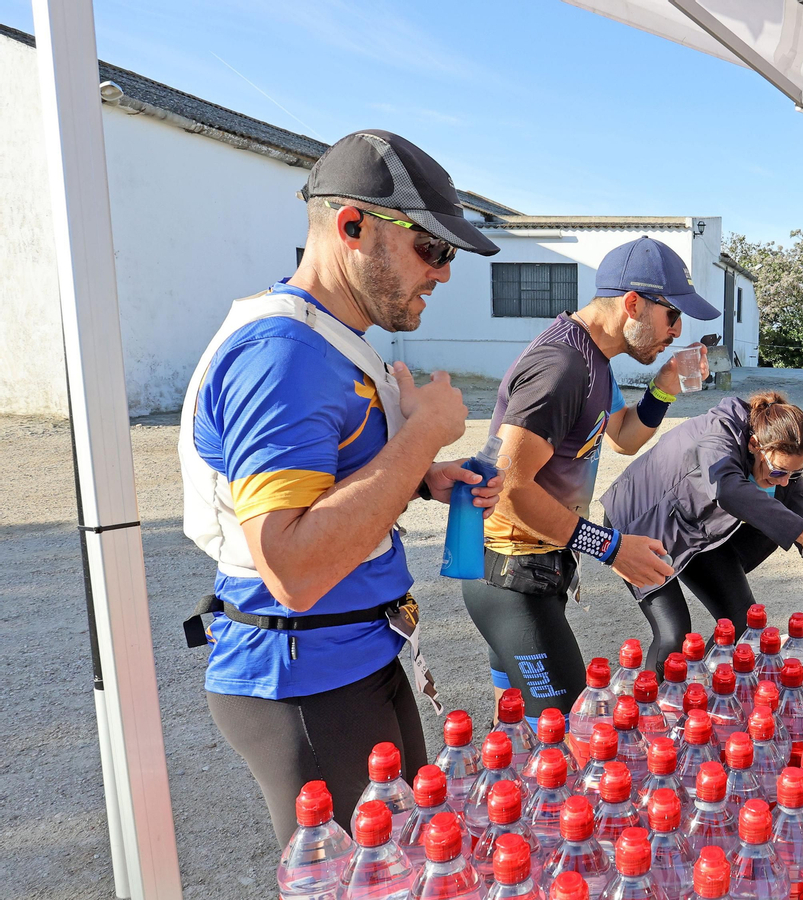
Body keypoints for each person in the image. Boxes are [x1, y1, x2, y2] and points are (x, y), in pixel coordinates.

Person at [178, 130, 504, 845]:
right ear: (353, 226)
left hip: (353, 653)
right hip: (302, 673)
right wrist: (424, 434)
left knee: (415, 866)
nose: (444, 273)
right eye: (433, 248)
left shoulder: (329, 338)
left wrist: (423, 478)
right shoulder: (283, 356)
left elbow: (324, 482)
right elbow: (291, 566)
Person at [464, 236, 717, 713]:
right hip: (511, 576)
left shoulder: (594, 358)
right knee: (569, 735)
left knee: (519, 730)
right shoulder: (561, 365)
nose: (678, 330)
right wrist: (611, 547)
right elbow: (510, 488)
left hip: (534, 569)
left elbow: (621, 437)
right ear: (634, 304)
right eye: (672, 316)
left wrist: (663, 387)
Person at [599, 391, 803, 671]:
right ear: (754, 444)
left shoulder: (778, 452)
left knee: (743, 625)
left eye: (795, 473)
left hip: (695, 526)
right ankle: (655, 709)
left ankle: (706, 691)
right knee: (673, 633)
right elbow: (726, 490)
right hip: (642, 523)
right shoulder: (719, 432)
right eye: (778, 472)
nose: (785, 481)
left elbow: (797, 501)